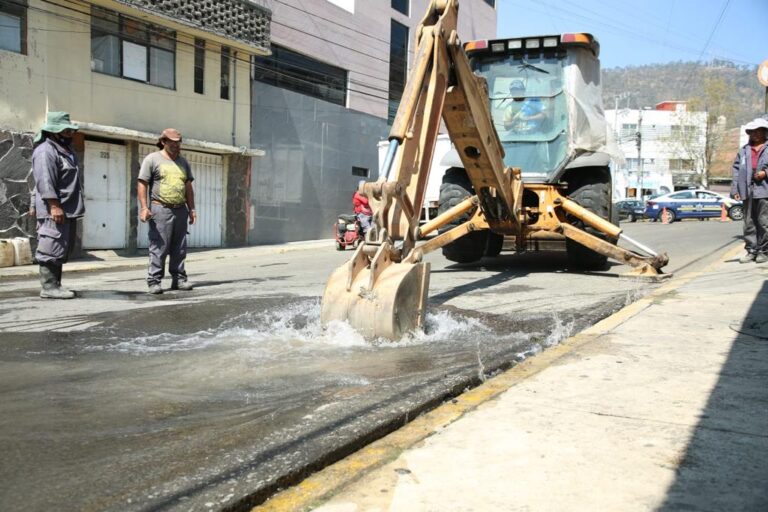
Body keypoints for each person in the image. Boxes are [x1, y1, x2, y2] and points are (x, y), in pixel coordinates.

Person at [31, 112, 84, 299]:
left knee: (60, 247)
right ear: (54, 132)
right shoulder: (46, 151)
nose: (70, 134)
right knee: (51, 246)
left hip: (66, 209)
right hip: (54, 209)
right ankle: (49, 287)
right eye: (66, 131)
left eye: (71, 131)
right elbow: (44, 181)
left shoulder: (65, 151)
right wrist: (54, 206)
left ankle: (56, 285)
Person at [138, 128, 197, 294]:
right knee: (159, 246)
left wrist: (192, 209)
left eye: (178, 142)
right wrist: (144, 207)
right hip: (160, 209)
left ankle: (179, 279)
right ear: (163, 142)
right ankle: (154, 281)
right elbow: (142, 183)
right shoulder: (152, 159)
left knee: (180, 247)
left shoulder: (183, 162)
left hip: (180, 210)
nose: (176, 145)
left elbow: (188, 187)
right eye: (172, 142)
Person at [731, 118, 768, 264]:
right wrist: (735, 189)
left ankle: (764, 251)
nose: (754, 134)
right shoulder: (744, 150)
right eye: (752, 132)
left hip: (764, 190)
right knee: (748, 222)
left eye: (758, 131)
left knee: (763, 221)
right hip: (747, 189)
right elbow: (736, 170)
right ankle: (751, 250)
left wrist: (765, 173)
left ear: (764, 132)